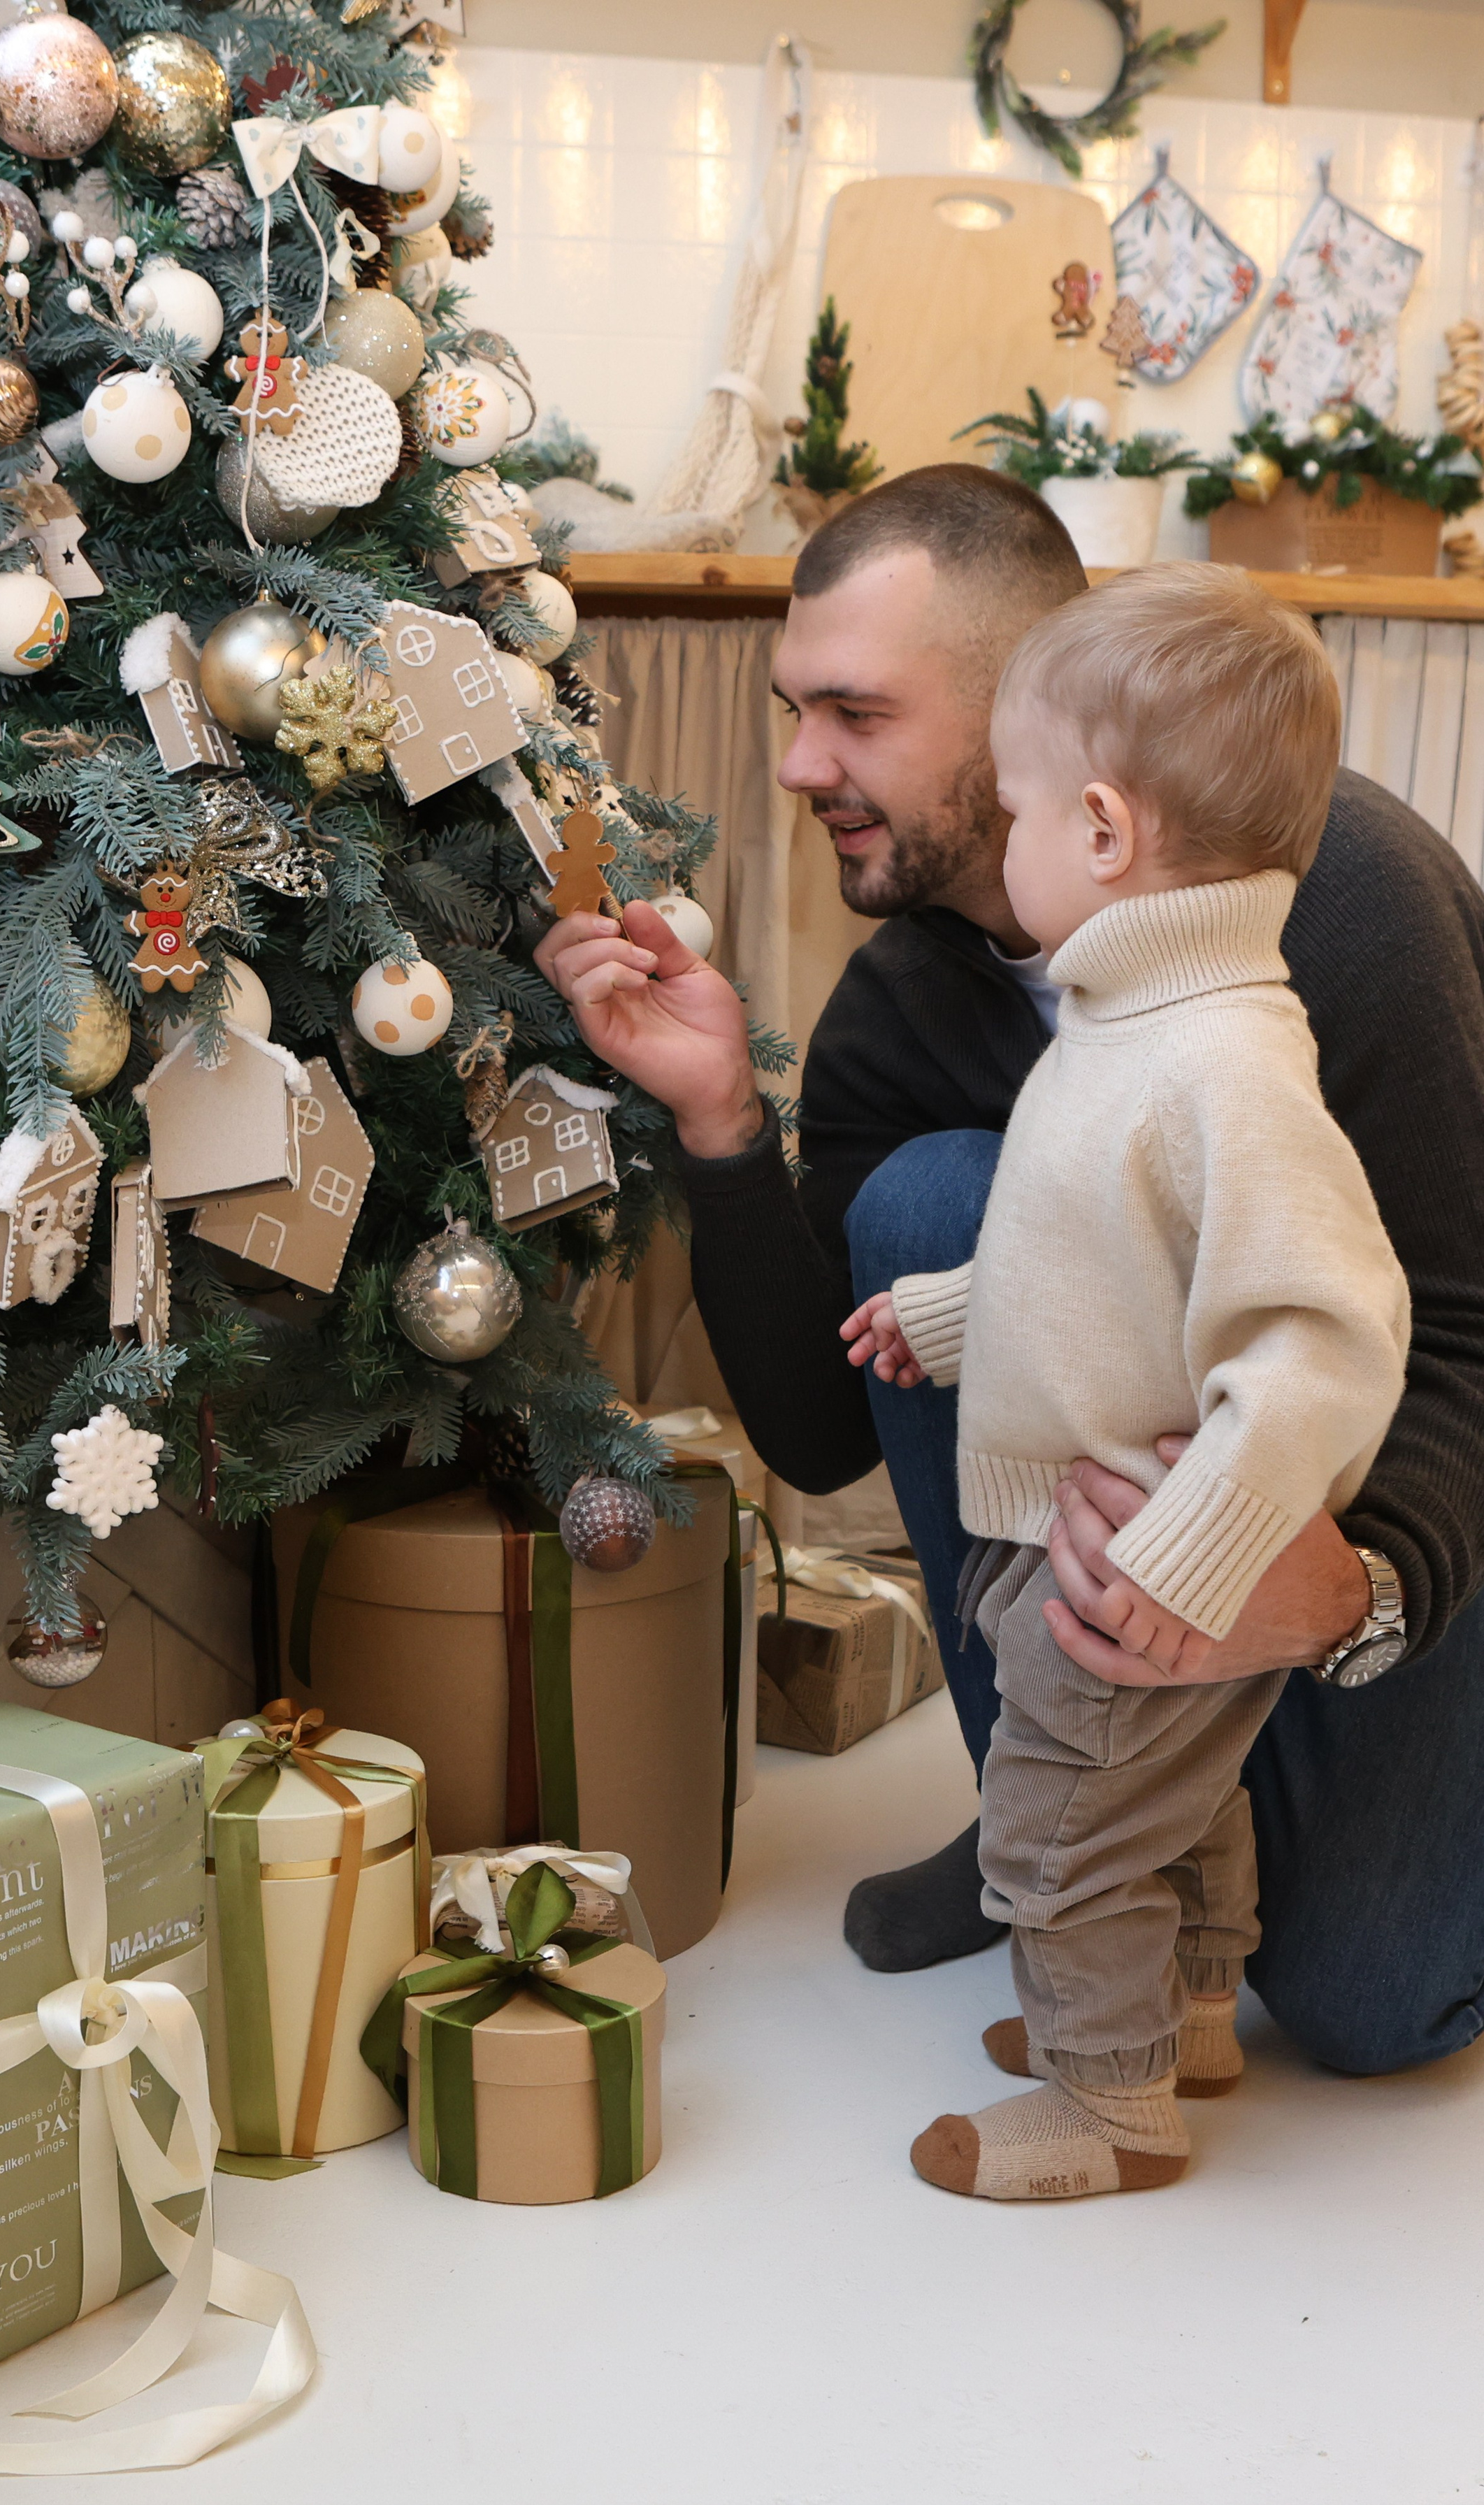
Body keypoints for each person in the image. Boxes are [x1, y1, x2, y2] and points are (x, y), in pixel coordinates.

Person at [533, 464, 1484, 2079]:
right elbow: (824, 1428)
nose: (796, 765)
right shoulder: (906, 999)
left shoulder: (1341, 911)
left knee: (1365, 2007)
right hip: (1131, 1554)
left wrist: (1355, 1590)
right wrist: (715, 1118)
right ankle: (1057, 1802)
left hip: (1367, 1509)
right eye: (791, 711)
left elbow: (1453, 1331)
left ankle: (1222, 1815)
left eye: (852, 713)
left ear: (1025, 712)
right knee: (931, 1205)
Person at [842, 564, 1408, 2197]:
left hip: (1130, 1556)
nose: (1001, 843)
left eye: (1015, 810)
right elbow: (1098, 1254)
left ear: (1099, 830)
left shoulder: (1219, 1056)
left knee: (1059, 1825)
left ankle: (1108, 2105)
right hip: (1120, 1520)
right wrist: (950, 1319)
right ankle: (1187, 2012)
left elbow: (1329, 1329)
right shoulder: (1129, 1018)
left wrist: (1193, 1547)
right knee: (1179, 1794)